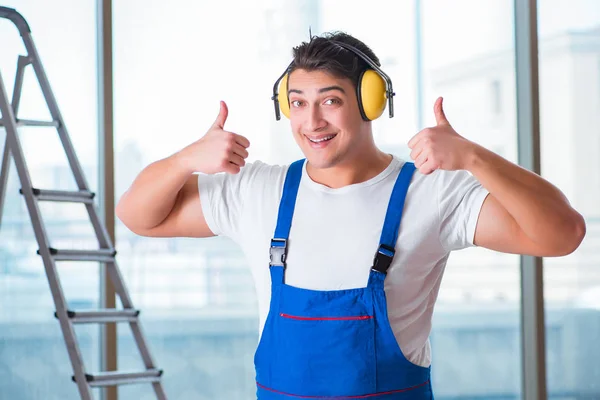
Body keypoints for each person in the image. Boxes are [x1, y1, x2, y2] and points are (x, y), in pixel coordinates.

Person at [116, 31, 586, 399]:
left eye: (330, 100)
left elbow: (561, 234)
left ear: (370, 101)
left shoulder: (432, 193)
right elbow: (139, 216)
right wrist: (184, 160)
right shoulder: (260, 190)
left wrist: (476, 159)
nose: (312, 121)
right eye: (298, 102)